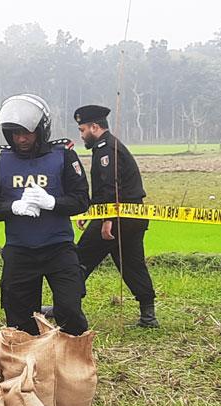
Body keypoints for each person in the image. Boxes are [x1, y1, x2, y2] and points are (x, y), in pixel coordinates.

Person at [0, 94, 90, 336]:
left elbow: (81, 199)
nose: (21, 139)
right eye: (15, 134)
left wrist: (52, 202)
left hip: (59, 247)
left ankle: (72, 364)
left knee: (69, 310)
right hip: (20, 250)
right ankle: (25, 366)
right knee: (19, 320)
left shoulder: (63, 154)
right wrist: (13, 206)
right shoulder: (0, 160)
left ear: (42, 129)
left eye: (27, 133)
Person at [73, 104, 159, 328]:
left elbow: (112, 187)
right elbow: (102, 190)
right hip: (132, 216)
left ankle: (66, 307)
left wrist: (107, 220)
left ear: (94, 127)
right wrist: (91, 211)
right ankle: (148, 315)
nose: (81, 135)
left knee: (78, 260)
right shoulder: (108, 146)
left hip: (118, 217)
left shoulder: (106, 149)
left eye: (82, 130)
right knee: (132, 265)